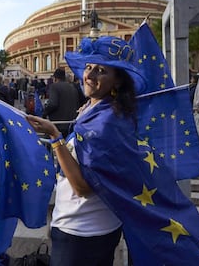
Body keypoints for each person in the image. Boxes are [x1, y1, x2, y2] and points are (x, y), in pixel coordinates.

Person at [26, 36, 146, 266]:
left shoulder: (106, 123)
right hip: (89, 225)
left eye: (101, 70)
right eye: (88, 67)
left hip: (82, 231)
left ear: (118, 81)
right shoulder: (102, 113)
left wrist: (54, 136)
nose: (89, 75)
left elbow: (82, 187)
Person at [42, 68, 79, 137]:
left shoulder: (54, 86)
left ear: (55, 78)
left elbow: (53, 104)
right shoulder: (73, 87)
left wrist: (44, 112)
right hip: (71, 124)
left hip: (57, 124)